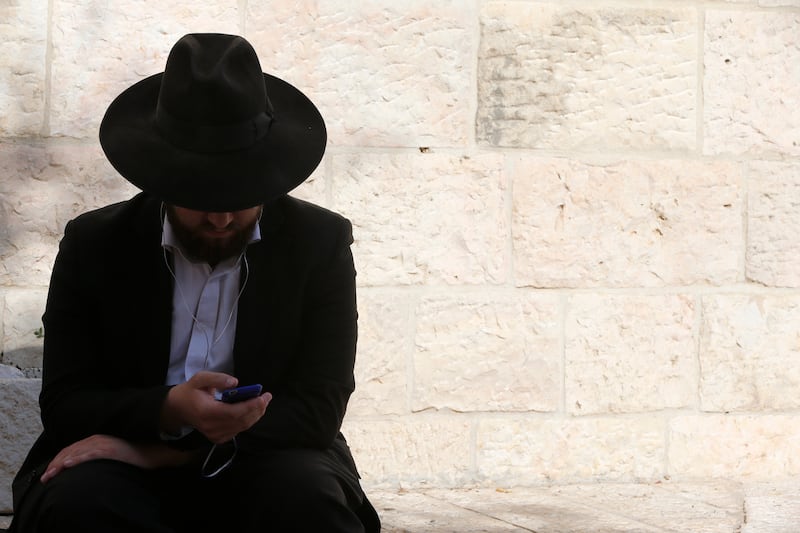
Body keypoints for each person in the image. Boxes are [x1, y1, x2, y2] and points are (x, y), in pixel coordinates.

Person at [9, 33, 380, 532]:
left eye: (243, 195)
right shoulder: (94, 243)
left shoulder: (319, 242)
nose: (223, 218)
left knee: (309, 503)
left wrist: (170, 453)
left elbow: (318, 409)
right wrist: (166, 408)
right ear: (163, 178)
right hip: (117, 444)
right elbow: (66, 401)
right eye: (202, 197)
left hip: (268, 450)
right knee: (78, 503)